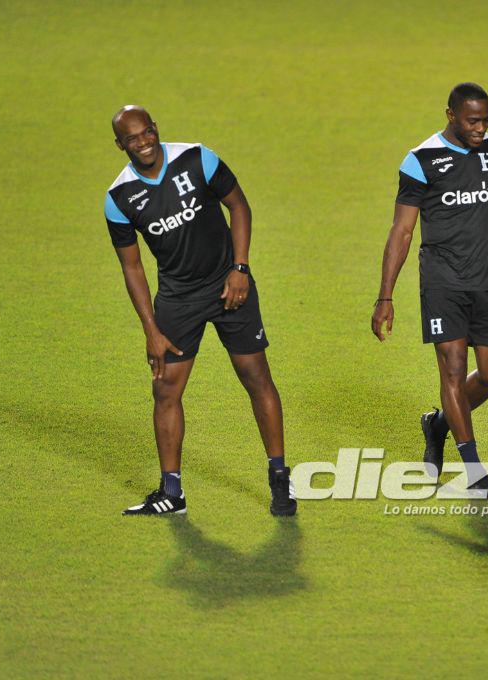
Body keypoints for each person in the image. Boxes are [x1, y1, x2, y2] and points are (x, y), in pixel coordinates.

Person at [103, 105, 296, 517]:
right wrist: (151, 329)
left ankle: (280, 478)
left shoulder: (197, 158)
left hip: (230, 287)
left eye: (147, 132)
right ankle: (172, 493)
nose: (143, 142)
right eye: (132, 138)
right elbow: (131, 266)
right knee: (166, 391)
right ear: (121, 145)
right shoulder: (119, 198)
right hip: (178, 300)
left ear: (156, 129)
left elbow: (239, 206)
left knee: (256, 377)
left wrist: (240, 268)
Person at [371, 83, 488, 495]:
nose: (481, 128)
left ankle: (438, 424)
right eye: (473, 120)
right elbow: (402, 231)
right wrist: (385, 295)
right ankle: (474, 471)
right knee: (453, 368)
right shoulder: (421, 160)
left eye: (486, 119)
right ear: (451, 115)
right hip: (443, 283)